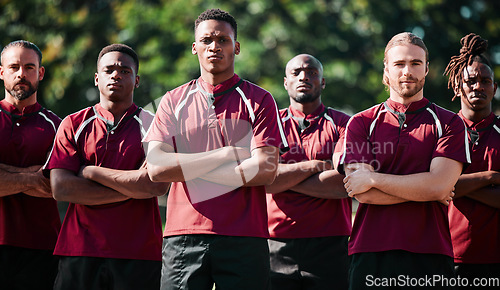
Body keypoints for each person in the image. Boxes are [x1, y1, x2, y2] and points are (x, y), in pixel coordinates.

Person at [143, 8, 287, 290]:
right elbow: (158, 168)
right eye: (207, 40)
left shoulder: (259, 99)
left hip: (245, 235)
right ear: (194, 47)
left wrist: (186, 169)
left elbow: (265, 170)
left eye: (223, 40)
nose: (214, 46)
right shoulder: (173, 100)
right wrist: (227, 155)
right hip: (183, 235)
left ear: (237, 46)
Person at [340, 32, 470, 289]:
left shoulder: (450, 123)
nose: (407, 71)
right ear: (386, 69)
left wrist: (374, 178)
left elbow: (439, 187)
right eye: (399, 64)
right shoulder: (360, 122)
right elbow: (362, 193)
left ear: (427, 69)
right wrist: (427, 189)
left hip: (430, 250)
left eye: (415, 63)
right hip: (369, 249)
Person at [44, 44, 169, 290]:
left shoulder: (154, 126)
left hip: (138, 252)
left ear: (137, 80)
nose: (116, 75)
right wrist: (132, 188)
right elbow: (61, 188)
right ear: (96, 78)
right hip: (80, 249)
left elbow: (156, 185)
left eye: (125, 70)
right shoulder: (73, 123)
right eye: (109, 69)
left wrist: (91, 172)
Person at [265, 54, 351, 290]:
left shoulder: (344, 124)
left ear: (323, 82)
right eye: (296, 72)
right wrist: (316, 166)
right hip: (274, 244)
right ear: (285, 82)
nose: (304, 76)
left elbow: (345, 184)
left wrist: (281, 177)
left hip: (331, 246)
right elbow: (261, 179)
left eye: (312, 72)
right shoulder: (269, 123)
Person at [0, 40, 61, 290]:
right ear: (1, 72)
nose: (21, 74)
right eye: (14, 67)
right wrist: (33, 176)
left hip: (41, 248)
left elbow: (55, 185)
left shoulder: (59, 127)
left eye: (29, 67)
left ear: (41, 73)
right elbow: (42, 180)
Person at [444, 33, 500, 287]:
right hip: (444, 256)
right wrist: (490, 178)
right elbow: (433, 189)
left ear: (495, 88)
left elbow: (444, 186)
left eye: (485, 81)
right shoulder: (439, 131)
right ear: (457, 86)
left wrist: (454, 185)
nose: (478, 86)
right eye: (471, 81)